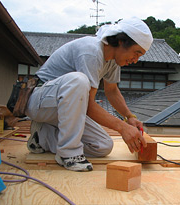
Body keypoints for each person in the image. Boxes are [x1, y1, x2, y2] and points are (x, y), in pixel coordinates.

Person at [25, 17, 153, 171]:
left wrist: (129, 118)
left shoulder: (113, 60)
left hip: (64, 107)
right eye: (136, 52)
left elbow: (111, 91)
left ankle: (42, 137)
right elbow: (88, 106)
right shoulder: (92, 51)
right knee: (79, 81)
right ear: (122, 41)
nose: (135, 60)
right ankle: (68, 154)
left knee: (102, 146)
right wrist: (122, 128)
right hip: (39, 102)